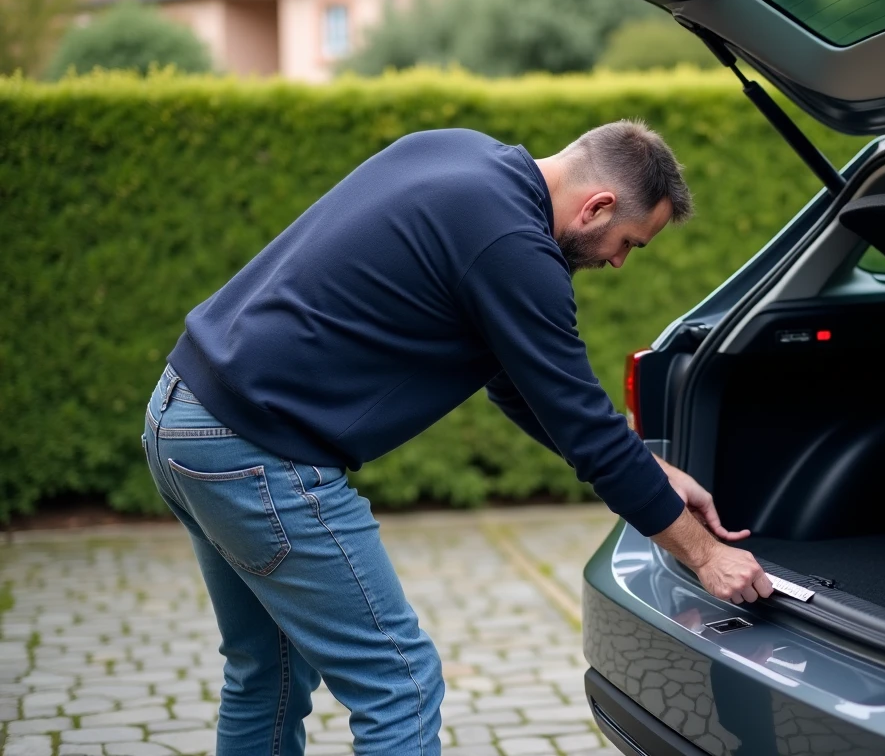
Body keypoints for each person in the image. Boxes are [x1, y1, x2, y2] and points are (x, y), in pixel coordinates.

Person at [141, 121, 773, 755]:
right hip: (257, 453)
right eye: (629, 242)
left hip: (183, 418)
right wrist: (707, 556)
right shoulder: (514, 247)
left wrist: (654, 472)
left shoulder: (456, 154)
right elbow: (587, 431)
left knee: (267, 673)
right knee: (401, 683)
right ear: (598, 206)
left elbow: (519, 388)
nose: (617, 261)